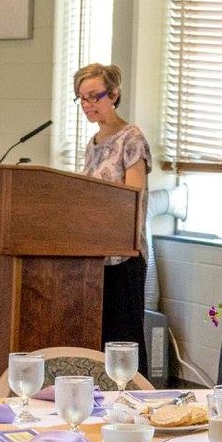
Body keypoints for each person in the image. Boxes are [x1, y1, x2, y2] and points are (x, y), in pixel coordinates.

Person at [74, 63, 151, 374]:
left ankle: (136, 401)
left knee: (123, 340)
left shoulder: (131, 137)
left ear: (114, 94)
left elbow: (132, 196)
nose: (88, 105)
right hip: (94, 257)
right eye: (82, 98)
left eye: (94, 96)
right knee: (97, 339)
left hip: (125, 256)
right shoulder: (92, 145)